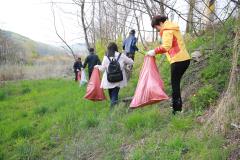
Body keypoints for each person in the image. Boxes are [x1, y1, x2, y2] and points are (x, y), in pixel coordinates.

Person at [146, 15, 191, 115]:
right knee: (176, 84)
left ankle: (177, 110)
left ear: (161, 23)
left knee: (175, 85)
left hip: (178, 60)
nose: (157, 30)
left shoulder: (167, 30)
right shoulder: (172, 27)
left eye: (156, 27)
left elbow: (166, 46)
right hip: (184, 59)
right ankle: (176, 106)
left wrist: (154, 51)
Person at [95, 42, 134, 107]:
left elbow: (102, 69)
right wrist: (126, 63)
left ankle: (113, 107)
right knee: (114, 94)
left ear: (108, 49)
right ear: (116, 48)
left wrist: (97, 66)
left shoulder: (106, 57)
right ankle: (114, 106)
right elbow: (131, 62)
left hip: (109, 79)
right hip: (119, 78)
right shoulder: (121, 55)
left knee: (112, 94)